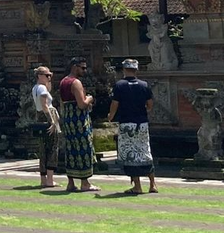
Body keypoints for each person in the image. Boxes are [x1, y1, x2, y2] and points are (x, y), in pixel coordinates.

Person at [108, 59, 157, 195]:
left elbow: (115, 104)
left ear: (124, 69)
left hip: (126, 123)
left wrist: (111, 116)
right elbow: (150, 104)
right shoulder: (144, 85)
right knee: (145, 152)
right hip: (141, 123)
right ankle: (153, 184)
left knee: (131, 155)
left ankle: (137, 186)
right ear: (136, 70)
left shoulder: (119, 85)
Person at [57, 57, 98, 193]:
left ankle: (71, 182)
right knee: (83, 149)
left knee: (71, 150)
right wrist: (90, 98)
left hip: (68, 120)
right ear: (75, 67)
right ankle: (85, 183)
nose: (84, 71)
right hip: (79, 120)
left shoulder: (63, 82)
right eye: (83, 68)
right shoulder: (75, 82)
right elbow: (81, 104)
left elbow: (62, 103)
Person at [31, 65, 61, 189]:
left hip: (39, 118)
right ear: (39, 76)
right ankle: (50, 179)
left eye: (50, 75)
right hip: (47, 117)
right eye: (46, 75)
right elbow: (45, 106)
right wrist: (52, 122)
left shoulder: (36, 88)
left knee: (43, 149)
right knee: (52, 148)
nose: (49, 77)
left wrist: (48, 81)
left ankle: (44, 179)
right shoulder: (42, 88)